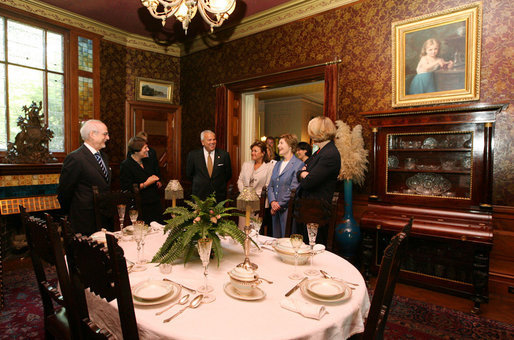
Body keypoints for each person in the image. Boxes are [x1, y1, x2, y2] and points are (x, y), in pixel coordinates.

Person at [57, 119, 111, 235]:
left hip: (103, 217)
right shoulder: (75, 158)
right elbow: (65, 191)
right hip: (84, 220)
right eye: (105, 134)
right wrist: (70, 214)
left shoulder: (104, 157)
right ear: (92, 134)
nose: (108, 138)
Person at [297, 116, 341, 244]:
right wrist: (303, 173)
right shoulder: (320, 152)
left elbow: (308, 182)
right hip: (309, 210)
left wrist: (304, 174)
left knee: (314, 249)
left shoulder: (329, 154)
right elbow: (300, 172)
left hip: (317, 212)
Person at [120, 136, 163, 224]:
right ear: (136, 150)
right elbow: (127, 188)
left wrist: (157, 180)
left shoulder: (148, 161)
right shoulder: (126, 165)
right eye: (145, 148)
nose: (148, 150)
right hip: (139, 206)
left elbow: (154, 174)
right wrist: (145, 184)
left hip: (155, 203)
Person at [268, 134, 304, 238]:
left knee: (286, 241)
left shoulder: (298, 164)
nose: (278, 146)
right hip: (275, 209)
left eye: (281, 143)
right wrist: (272, 202)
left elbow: (294, 188)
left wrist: (279, 204)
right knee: (276, 239)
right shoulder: (277, 164)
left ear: (290, 146)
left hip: (288, 210)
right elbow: (271, 186)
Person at [237, 141, 275, 229]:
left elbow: (268, 184)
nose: (253, 153)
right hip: (244, 200)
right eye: (252, 151)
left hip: (259, 202)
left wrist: (254, 196)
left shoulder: (269, 166)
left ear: (263, 153)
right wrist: (245, 193)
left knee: (255, 229)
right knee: (242, 228)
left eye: (255, 151)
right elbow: (240, 180)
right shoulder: (246, 164)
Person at [186, 130, 232, 203]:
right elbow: (189, 174)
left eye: (214, 139)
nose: (212, 142)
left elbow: (228, 174)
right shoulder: (193, 155)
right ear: (202, 142)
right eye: (209, 140)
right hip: (199, 195)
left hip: (218, 196)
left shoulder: (224, 155)